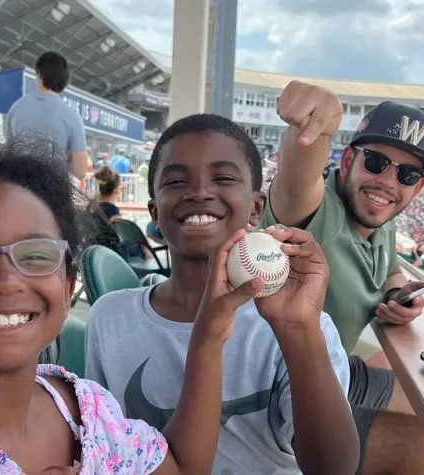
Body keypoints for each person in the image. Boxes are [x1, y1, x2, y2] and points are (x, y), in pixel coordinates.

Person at [0, 140, 254, 474]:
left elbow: (177, 470)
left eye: (35, 255)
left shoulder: (86, 409)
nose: (7, 280)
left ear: (68, 286)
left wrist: (208, 336)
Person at [86, 114, 359, 475]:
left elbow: (333, 468)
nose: (198, 192)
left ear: (256, 209)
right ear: (154, 212)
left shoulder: (302, 323)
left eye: (225, 178)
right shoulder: (109, 317)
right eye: (177, 180)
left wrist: (298, 331)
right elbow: (100, 449)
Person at [264, 82, 424, 473]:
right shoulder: (317, 212)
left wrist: (398, 291)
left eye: (408, 174)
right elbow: (297, 182)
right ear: (347, 160)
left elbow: (393, 265)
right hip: (285, 388)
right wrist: (314, 127)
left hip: (336, 367)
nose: (387, 183)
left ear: (419, 188)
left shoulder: (380, 225)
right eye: (376, 162)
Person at [5, 51, 89, 181]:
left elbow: (8, 154)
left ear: (39, 74)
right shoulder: (72, 117)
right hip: (55, 191)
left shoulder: (16, 108)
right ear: (65, 80)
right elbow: (80, 170)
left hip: (20, 190)